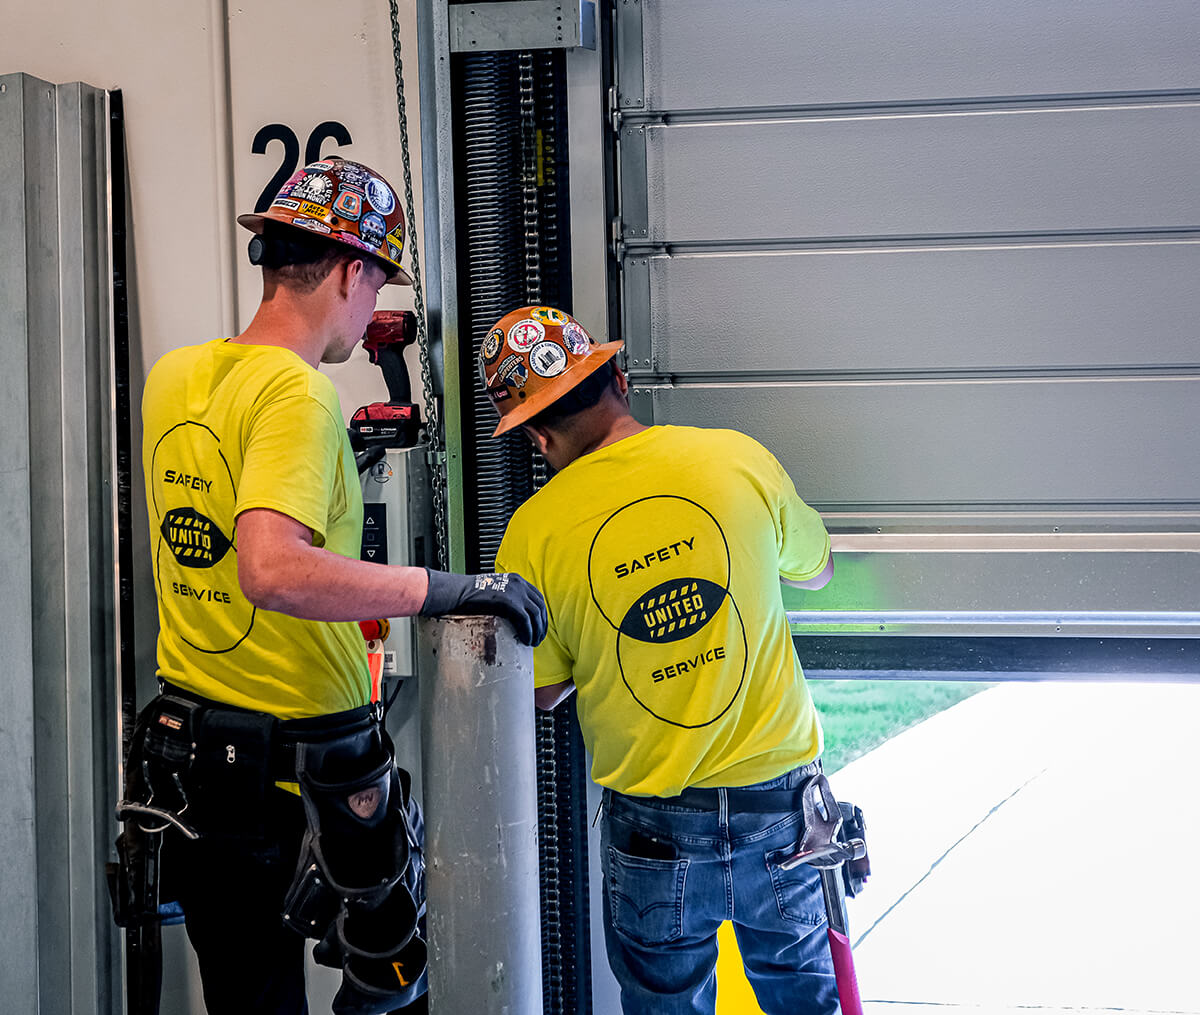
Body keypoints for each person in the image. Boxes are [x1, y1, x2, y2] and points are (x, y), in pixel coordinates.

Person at [137, 157, 546, 1014]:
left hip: (196, 768)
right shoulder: (298, 393)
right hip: (300, 774)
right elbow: (272, 568)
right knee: (392, 983)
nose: (370, 315)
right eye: (376, 285)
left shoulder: (174, 375)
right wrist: (445, 589)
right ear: (353, 270)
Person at [487, 306, 838, 1014]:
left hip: (655, 827)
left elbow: (543, 690)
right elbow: (819, 569)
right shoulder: (736, 457)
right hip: (783, 807)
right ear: (618, 377)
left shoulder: (532, 531)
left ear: (535, 434)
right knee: (805, 999)